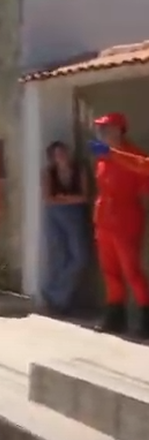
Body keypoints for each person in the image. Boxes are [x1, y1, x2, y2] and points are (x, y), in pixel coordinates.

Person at [87, 112, 149, 336]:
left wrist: (112, 154)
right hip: (104, 218)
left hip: (125, 218)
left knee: (131, 271)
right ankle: (115, 315)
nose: (102, 132)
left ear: (119, 130)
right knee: (109, 270)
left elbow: (144, 179)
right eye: (101, 128)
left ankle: (145, 317)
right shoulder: (103, 157)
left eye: (106, 128)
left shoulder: (134, 155)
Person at [41, 141, 89, 316]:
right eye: (57, 154)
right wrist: (68, 199)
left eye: (63, 152)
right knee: (59, 257)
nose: (61, 156)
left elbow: (84, 197)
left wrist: (64, 198)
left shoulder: (78, 170)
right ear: (52, 157)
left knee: (79, 257)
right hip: (54, 215)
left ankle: (53, 293)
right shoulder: (49, 173)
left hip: (75, 215)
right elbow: (48, 198)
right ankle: (60, 302)